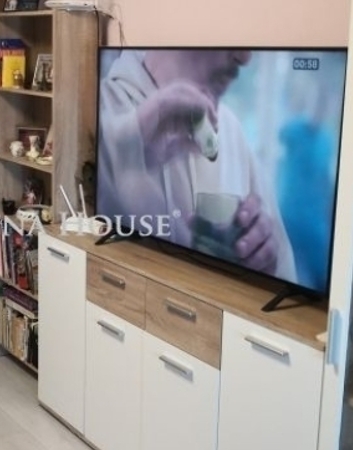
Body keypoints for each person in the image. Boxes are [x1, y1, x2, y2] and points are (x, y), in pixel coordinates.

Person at [98, 49, 296, 281]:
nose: (245, 58)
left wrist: (265, 265)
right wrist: (125, 147)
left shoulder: (233, 134)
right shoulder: (94, 112)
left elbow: (287, 279)